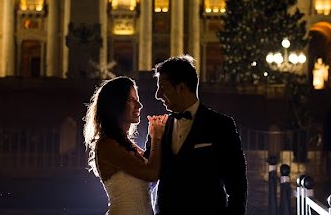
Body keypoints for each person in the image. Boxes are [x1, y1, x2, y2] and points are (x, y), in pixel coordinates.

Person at [148, 55, 247, 215]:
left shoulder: (221, 125)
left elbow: (237, 182)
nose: (157, 95)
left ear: (181, 87)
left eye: (163, 87)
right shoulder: (160, 126)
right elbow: (149, 168)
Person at [84, 76, 169, 215]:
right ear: (115, 104)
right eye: (131, 100)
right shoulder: (107, 145)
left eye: (137, 100)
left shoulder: (127, 144)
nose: (139, 106)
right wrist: (156, 136)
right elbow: (151, 173)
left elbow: (156, 172)